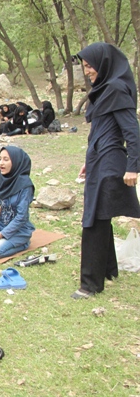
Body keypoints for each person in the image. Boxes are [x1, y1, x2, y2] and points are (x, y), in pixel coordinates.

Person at [72, 43, 140, 299]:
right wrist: (89, 161)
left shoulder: (115, 89)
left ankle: (90, 284)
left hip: (110, 161)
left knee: (94, 220)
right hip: (99, 160)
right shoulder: (105, 90)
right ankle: (109, 269)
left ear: (103, 65)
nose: (87, 72)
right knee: (100, 215)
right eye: (85, 66)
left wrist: (134, 166)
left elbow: (131, 131)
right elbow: (100, 130)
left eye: (90, 66)